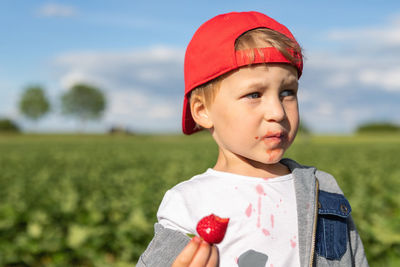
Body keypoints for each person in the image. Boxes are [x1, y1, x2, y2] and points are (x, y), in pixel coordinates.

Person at [137, 11, 369, 267]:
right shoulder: (188, 202)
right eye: (254, 95)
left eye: (287, 92)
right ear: (203, 111)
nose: (278, 112)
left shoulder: (323, 189)